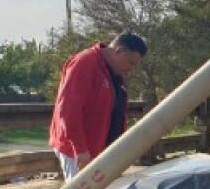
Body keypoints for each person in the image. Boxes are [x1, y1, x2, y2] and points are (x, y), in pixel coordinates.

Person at [49, 33, 147, 180]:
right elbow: (68, 111)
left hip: (103, 151)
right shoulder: (85, 63)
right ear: (118, 51)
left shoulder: (116, 72)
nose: (131, 69)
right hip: (79, 152)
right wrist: (80, 149)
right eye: (131, 63)